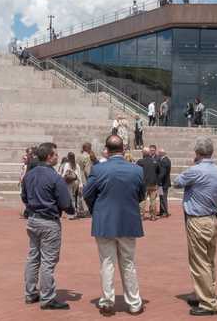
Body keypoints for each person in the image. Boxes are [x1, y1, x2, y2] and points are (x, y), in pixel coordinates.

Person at [83, 134, 146, 316]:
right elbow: (141, 195)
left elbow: (87, 193)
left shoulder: (98, 169)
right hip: (128, 221)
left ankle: (107, 302)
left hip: (105, 221)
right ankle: (134, 302)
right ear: (123, 149)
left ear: (107, 150)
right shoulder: (136, 170)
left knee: (107, 263)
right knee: (128, 263)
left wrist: (97, 209)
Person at [172, 138, 217, 316]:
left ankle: (208, 303)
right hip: (212, 218)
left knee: (199, 262)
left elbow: (176, 182)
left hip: (197, 219)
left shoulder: (195, 170)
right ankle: (205, 293)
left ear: (197, 153)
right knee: (209, 260)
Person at [21, 142, 74, 310]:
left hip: (33, 219)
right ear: (49, 157)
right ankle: (47, 297)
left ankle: (30, 293)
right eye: (55, 154)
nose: (57, 157)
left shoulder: (29, 175)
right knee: (47, 261)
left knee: (33, 257)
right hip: (49, 221)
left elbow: (24, 197)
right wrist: (68, 209)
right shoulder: (54, 177)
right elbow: (65, 203)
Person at [136, 147, 160, 220]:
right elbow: (158, 172)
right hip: (153, 183)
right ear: (149, 153)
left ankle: (141, 215)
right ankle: (153, 216)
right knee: (153, 200)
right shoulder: (155, 161)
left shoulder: (140, 161)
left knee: (143, 200)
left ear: (143, 153)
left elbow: (136, 172)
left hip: (143, 184)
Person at [59, 152, 85, 219]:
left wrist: (62, 181)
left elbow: (64, 174)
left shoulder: (67, 164)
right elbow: (79, 175)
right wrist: (80, 184)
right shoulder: (77, 165)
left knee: (71, 197)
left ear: (68, 157)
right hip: (76, 182)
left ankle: (72, 213)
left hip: (69, 183)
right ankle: (76, 211)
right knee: (75, 197)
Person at [157, 148, 172, 217]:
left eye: (159, 153)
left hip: (163, 183)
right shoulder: (164, 160)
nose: (158, 154)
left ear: (161, 153)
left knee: (163, 197)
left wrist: (158, 181)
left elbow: (162, 173)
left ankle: (165, 212)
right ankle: (162, 211)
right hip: (162, 183)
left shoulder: (164, 161)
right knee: (161, 197)